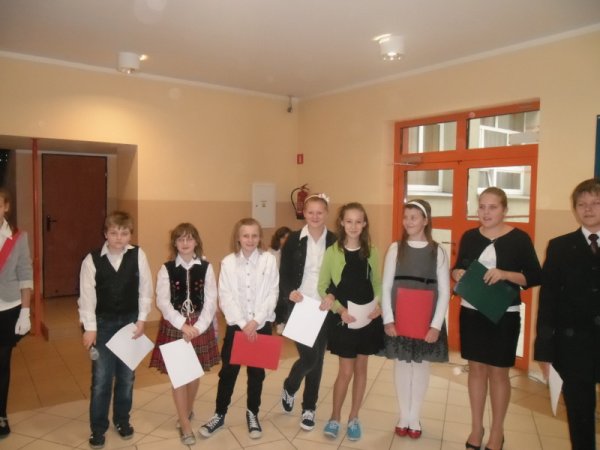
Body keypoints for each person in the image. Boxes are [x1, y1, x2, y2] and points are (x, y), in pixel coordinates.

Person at [451, 187, 541, 450]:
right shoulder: (470, 236)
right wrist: (457, 273)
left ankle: (497, 431)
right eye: (482, 206)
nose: (486, 212)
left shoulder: (519, 239)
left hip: (504, 315)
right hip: (471, 312)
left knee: (499, 373)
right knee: (476, 370)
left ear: (505, 210)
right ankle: (476, 428)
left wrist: (505, 274)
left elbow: (535, 275)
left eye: (492, 207)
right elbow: (458, 266)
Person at [78, 211, 153, 450]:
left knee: (126, 376)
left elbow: (145, 289)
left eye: (124, 233)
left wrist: (142, 319)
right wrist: (90, 328)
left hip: (130, 323)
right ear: (105, 234)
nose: (119, 238)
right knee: (101, 379)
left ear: (130, 234)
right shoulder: (91, 260)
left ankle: (122, 419)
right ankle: (98, 427)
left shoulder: (138, 255)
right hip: (103, 324)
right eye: (113, 233)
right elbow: (87, 297)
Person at [534, 178, 600, 450]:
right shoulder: (560, 246)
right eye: (581, 204)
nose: (588, 209)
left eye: (595, 203)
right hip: (574, 346)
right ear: (574, 209)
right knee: (580, 415)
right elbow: (548, 300)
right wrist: (544, 350)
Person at [199, 218, 278, 440]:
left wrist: (256, 321)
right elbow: (225, 297)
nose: (250, 240)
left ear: (260, 237)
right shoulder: (228, 263)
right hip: (237, 326)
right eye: (245, 235)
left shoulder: (269, 260)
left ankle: (253, 414)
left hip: (261, 325)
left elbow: (273, 292)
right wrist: (244, 324)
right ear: (238, 238)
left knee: (256, 373)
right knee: (228, 372)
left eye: (254, 235)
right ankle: (219, 414)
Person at [381, 199, 450, 439]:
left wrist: (436, 325)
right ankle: (403, 415)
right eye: (406, 217)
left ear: (425, 220)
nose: (408, 221)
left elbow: (444, 291)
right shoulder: (395, 249)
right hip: (400, 314)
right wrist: (388, 319)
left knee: (420, 365)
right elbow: (386, 285)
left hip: (425, 317)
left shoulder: (438, 251)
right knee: (402, 364)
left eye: (414, 217)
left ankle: (414, 416)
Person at [149, 223, 220, 445]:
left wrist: (198, 327)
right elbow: (163, 302)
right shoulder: (166, 269)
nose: (185, 243)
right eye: (180, 239)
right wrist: (182, 325)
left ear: (196, 241)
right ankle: (185, 423)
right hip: (175, 326)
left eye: (189, 238)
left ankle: (187, 410)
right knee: (179, 376)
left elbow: (211, 301)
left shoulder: (206, 267)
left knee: (194, 373)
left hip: (199, 325)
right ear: (175, 243)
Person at [318, 202, 383, 441]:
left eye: (358, 221)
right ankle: (335, 417)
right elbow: (322, 286)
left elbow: (377, 283)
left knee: (361, 369)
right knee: (345, 371)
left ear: (364, 224)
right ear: (342, 223)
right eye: (349, 221)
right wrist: (339, 309)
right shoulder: (332, 251)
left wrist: (378, 305)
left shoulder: (372, 250)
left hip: (367, 319)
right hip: (344, 319)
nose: (353, 226)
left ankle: (354, 417)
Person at [279, 194, 336, 431]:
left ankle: (309, 408)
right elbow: (284, 273)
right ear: (304, 213)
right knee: (310, 358)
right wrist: (289, 292)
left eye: (319, 212)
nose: (314, 216)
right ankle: (290, 385)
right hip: (301, 305)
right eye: (310, 212)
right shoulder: (293, 239)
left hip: (323, 307)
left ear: (326, 213)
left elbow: (339, 275)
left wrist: (332, 294)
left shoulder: (335, 240)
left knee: (318, 360)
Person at [0, 188, 32, 439]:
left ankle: (1, 414)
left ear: (6, 207)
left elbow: (25, 273)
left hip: (7, 308)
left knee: (2, 364)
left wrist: (25, 311)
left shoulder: (19, 238)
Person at [270, 225, 291, 334]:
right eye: (283, 237)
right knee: (281, 296)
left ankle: (287, 321)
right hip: (274, 281)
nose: (285, 240)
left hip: (288, 281)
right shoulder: (271, 253)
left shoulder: (293, 252)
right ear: (278, 239)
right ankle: (280, 321)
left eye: (288, 238)